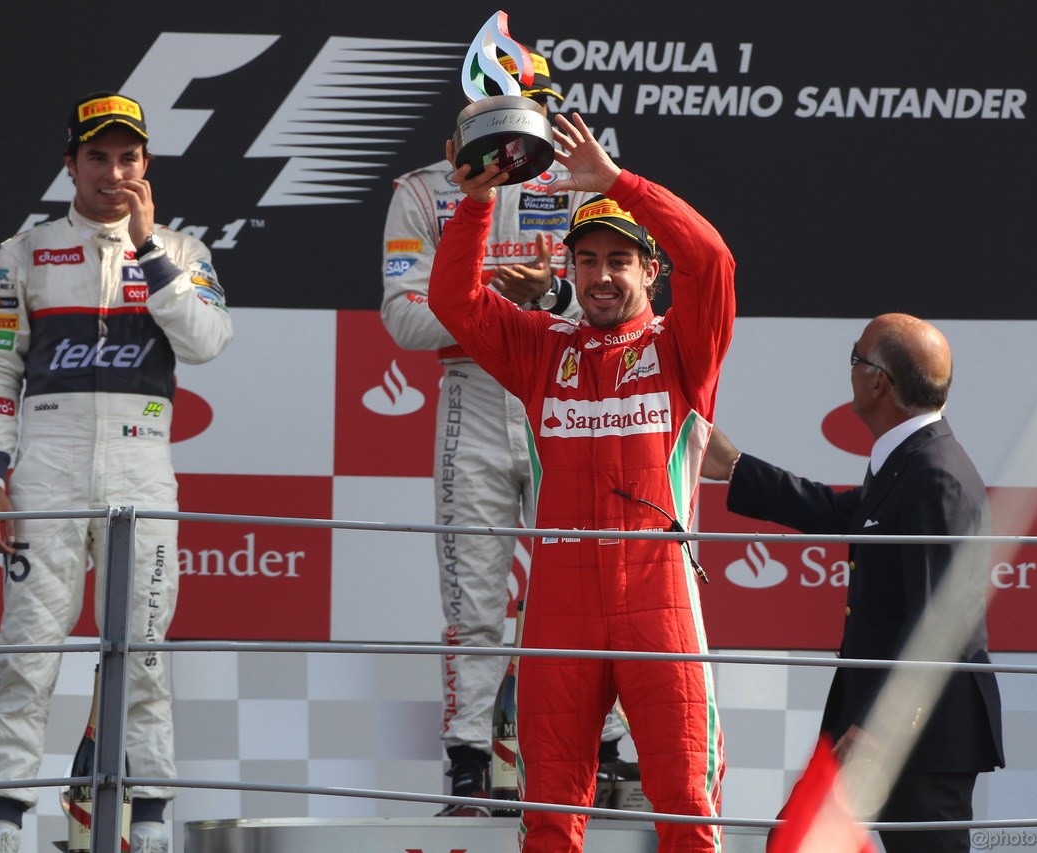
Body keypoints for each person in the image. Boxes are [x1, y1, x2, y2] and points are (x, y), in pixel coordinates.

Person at [428, 111, 732, 853]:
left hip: (657, 588)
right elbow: (454, 303)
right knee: (550, 808)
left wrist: (619, 184)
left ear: (650, 272)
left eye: (618, 261)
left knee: (687, 797)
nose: (600, 276)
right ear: (569, 269)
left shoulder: (682, 346)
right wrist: (474, 206)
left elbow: (714, 259)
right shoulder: (541, 348)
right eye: (586, 260)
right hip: (559, 590)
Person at [0, 91, 233, 853]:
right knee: (28, 649)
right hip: (45, 468)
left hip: (140, 464)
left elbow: (208, 341)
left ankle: (148, 821)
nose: (113, 170)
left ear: (145, 164)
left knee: (143, 650)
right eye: (97, 156)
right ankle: (4, 822)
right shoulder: (22, 252)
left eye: (128, 156)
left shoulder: (182, 253)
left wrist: (149, 249)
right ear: (70, 165)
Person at [380, 46, 626, 814]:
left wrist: (552, 296)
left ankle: (609, 753)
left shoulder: (586, 182)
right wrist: (491, 312)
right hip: (475, 399)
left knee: (592, 581)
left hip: (569, 397)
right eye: (518, 107)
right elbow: (401, 317)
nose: (531, 125)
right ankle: (467, 765)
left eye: (542, 106)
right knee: (474, 598)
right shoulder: (426, 191)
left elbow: (620, 299)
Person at [702, 313, 1003, 853]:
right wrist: (737, 468)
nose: (850, 371)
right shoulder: (911, 460)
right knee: (794, 841)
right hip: (878, 723)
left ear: (877, 381)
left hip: (914, 736)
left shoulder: (934, 475)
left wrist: (878, 727)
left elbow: (941, 622)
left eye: (854, 357)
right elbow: (847, 512)